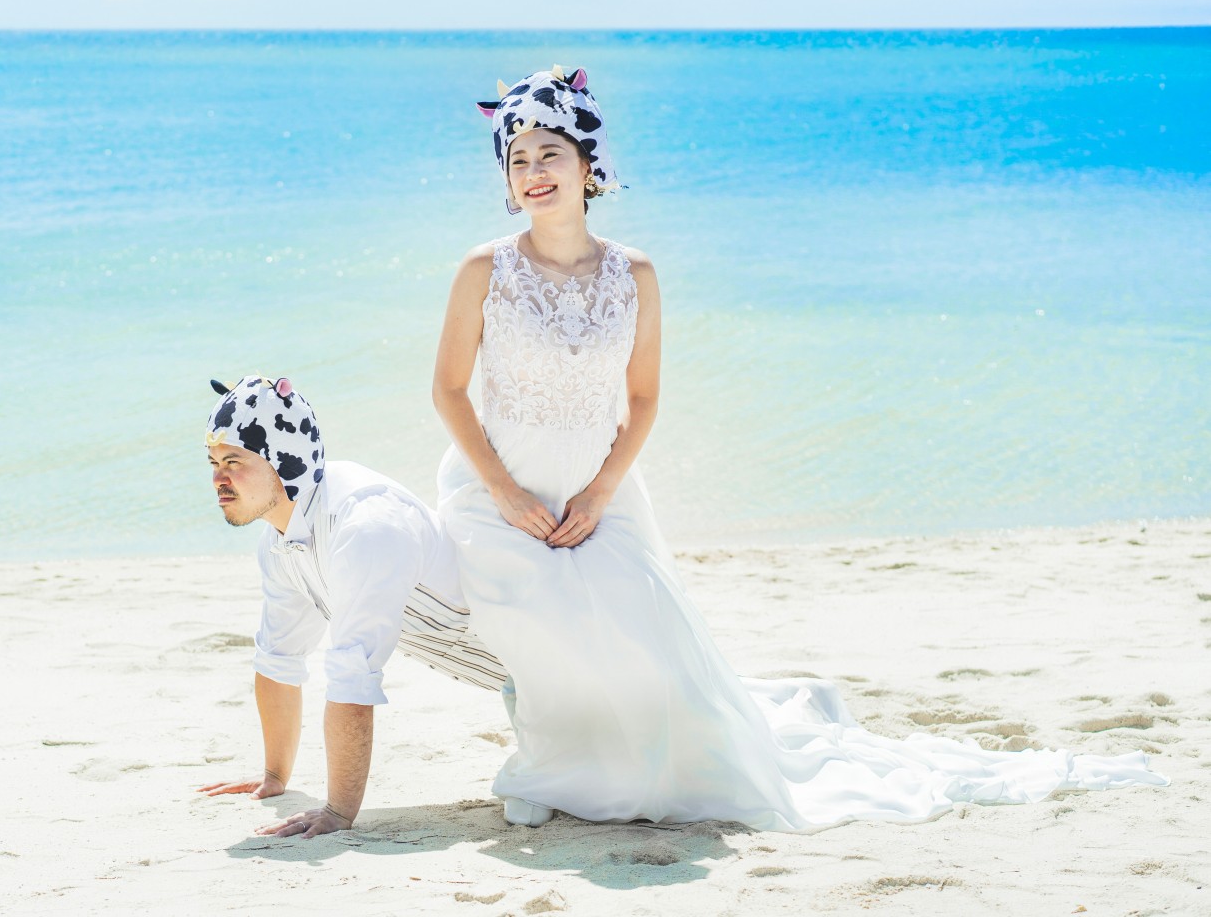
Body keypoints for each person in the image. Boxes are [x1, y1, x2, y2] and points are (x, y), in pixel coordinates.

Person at [431, 65, 1167, 830]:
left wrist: (603, 491)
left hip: (600, 497)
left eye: (549, 152)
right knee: (551, 631)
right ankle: (559, 769)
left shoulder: (635, 273)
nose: (534, 171)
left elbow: (643, 399)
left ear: (589, 162)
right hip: (495, 499)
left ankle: (610, 772)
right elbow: (449, 392)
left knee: (659, 659)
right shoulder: (485, 269)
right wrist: (508, 494)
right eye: (517, 160)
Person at [199, 374, 508, 838]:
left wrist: (338, 814)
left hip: (554, 665)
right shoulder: (282, 539)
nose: (218, 477)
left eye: (234, 460)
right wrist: (275, 777)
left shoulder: (365, 524)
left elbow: (352, 679)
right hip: (514, 683)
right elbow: (279, 659)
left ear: (283, 459)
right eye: (213, 461)